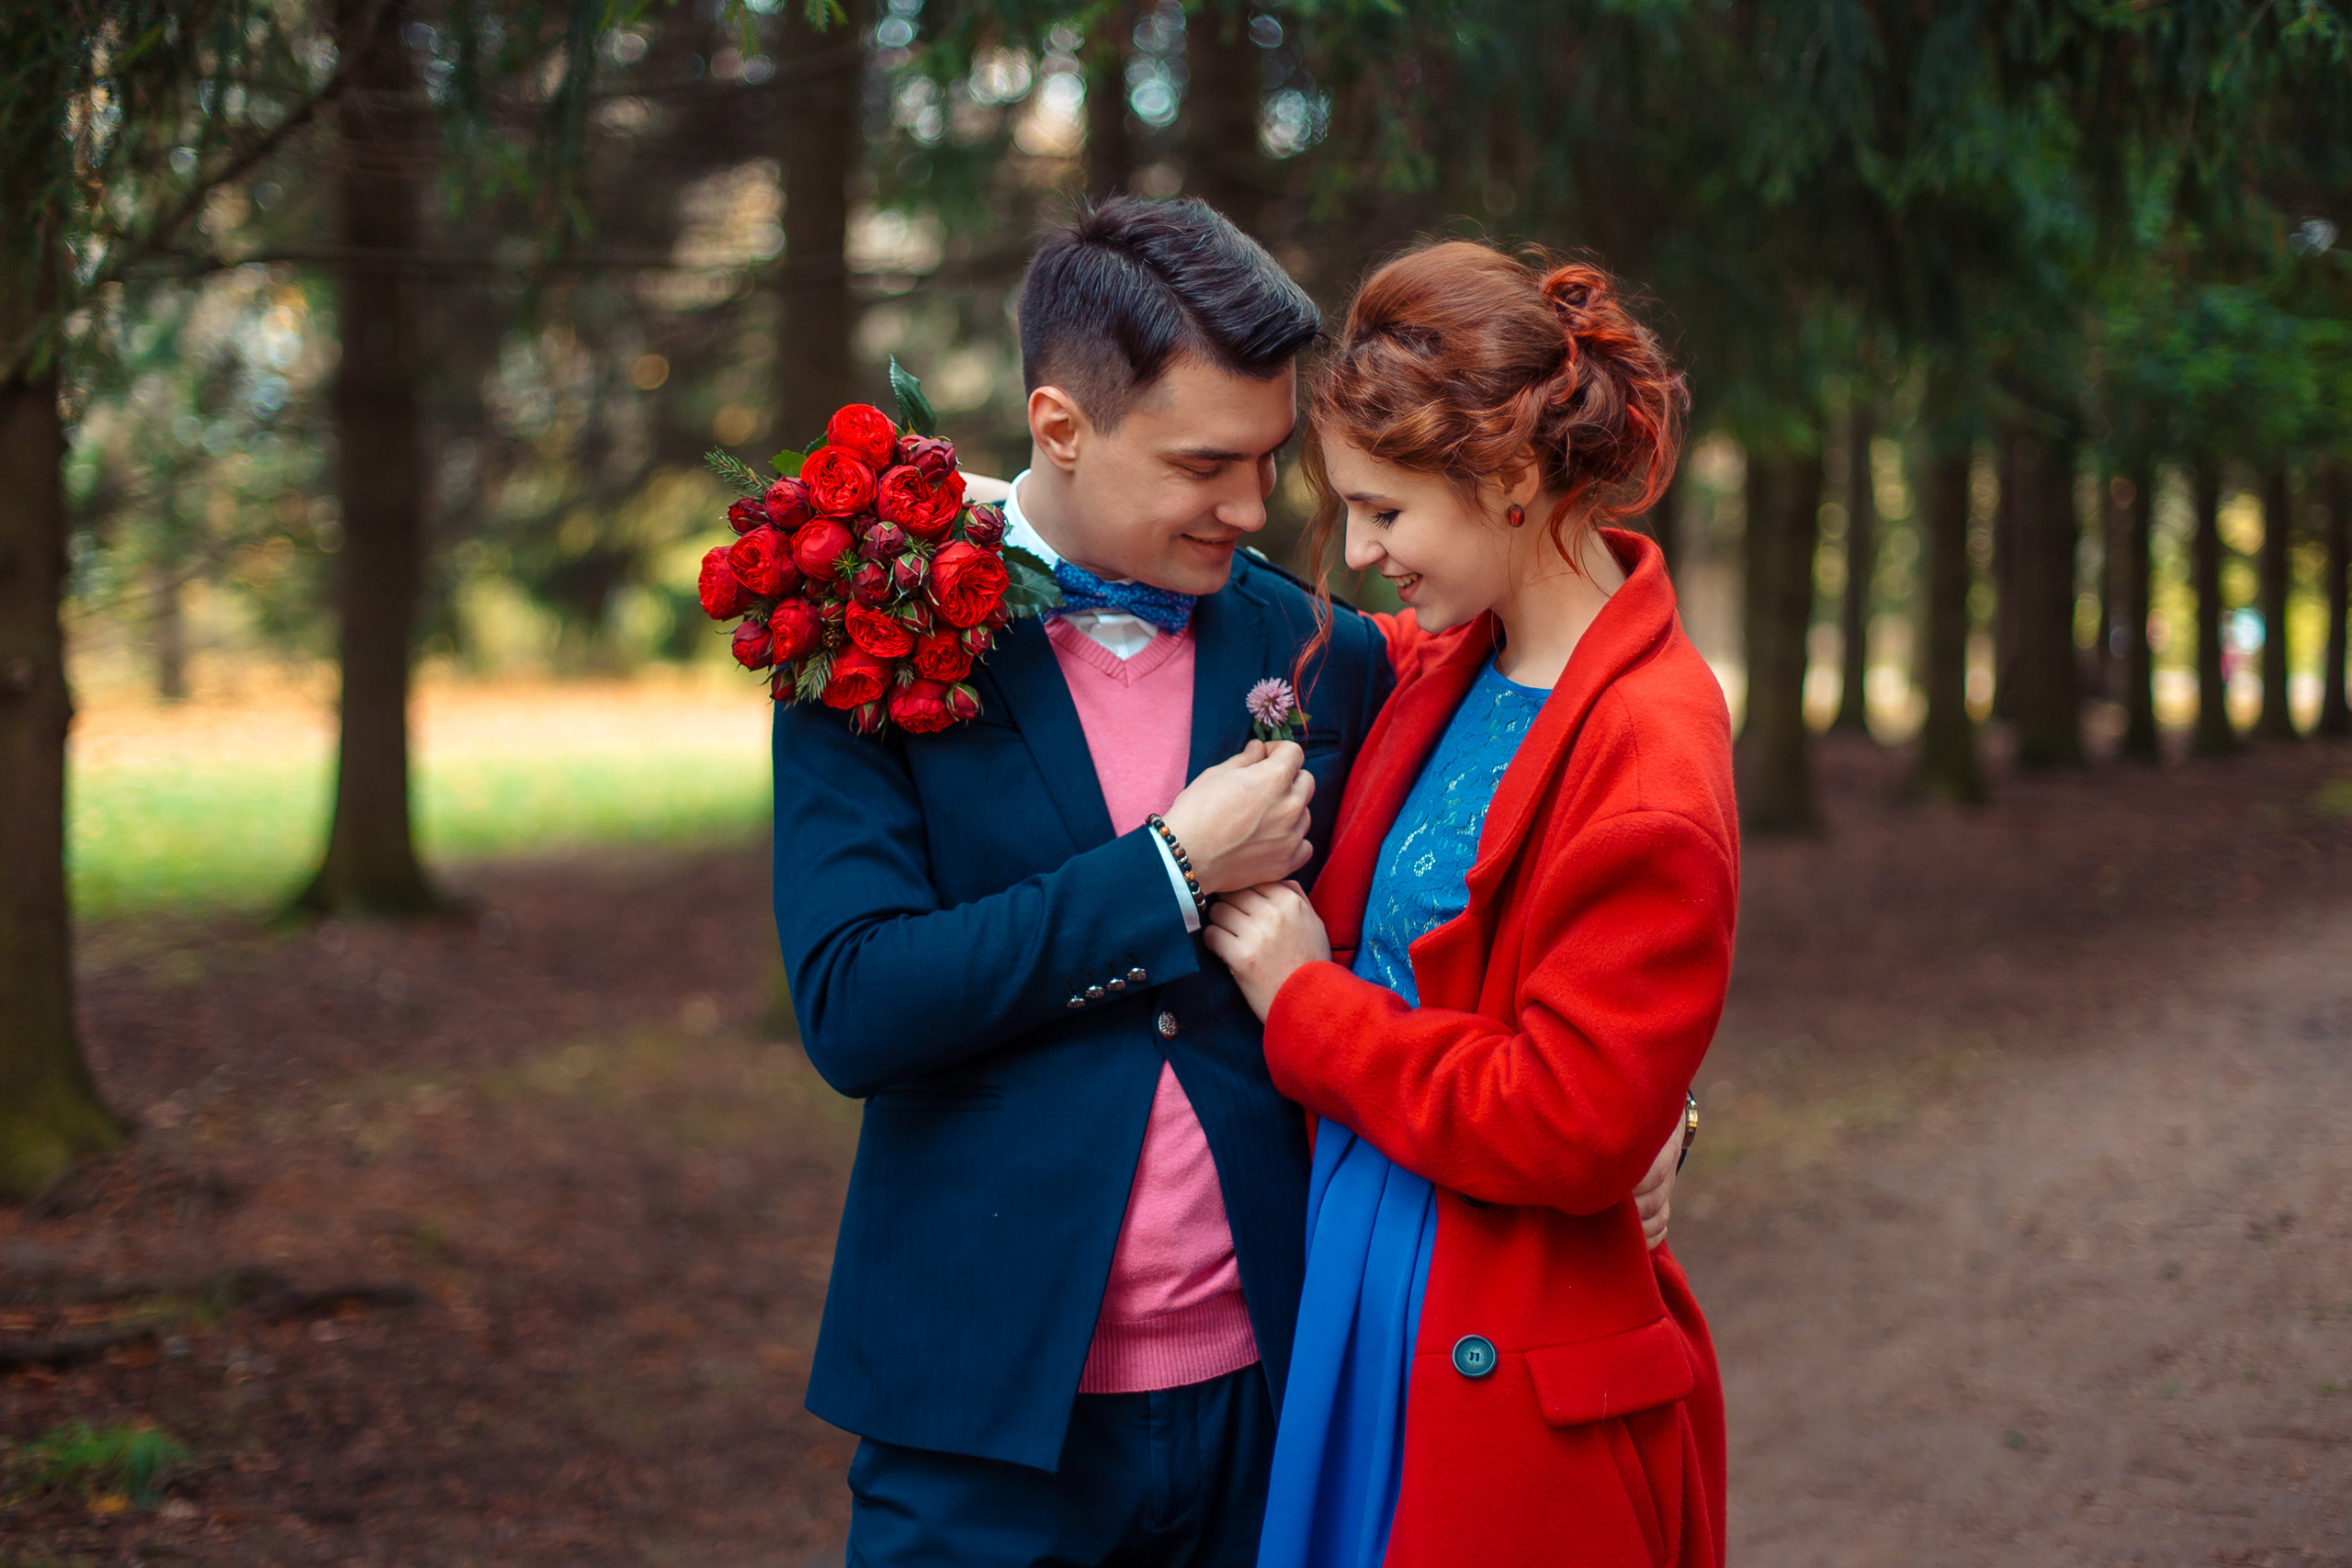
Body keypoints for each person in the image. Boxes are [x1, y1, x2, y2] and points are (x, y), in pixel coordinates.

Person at [773, 199, 1687, 1567]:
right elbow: (856, 1007)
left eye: (1269, 461)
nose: (1254, 511)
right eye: (1206, 466)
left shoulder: (1332, 650)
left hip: (1283, 1384)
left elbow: (1490, 884)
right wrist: (1171, 871)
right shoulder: (867, 633)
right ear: (1061, 425)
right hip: (977, 1404)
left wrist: (1655, 1103)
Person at [1204, 241, 1736, 1568]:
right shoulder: (1451, 658)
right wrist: (1012, 517)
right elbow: (1252, 602)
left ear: (1506, 481)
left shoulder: (1652, 751)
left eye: (1384, 511)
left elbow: (1570, 1117)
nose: (1360, 550)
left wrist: (1305, 1003)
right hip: (1370, 1269)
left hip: (1500, 1322)